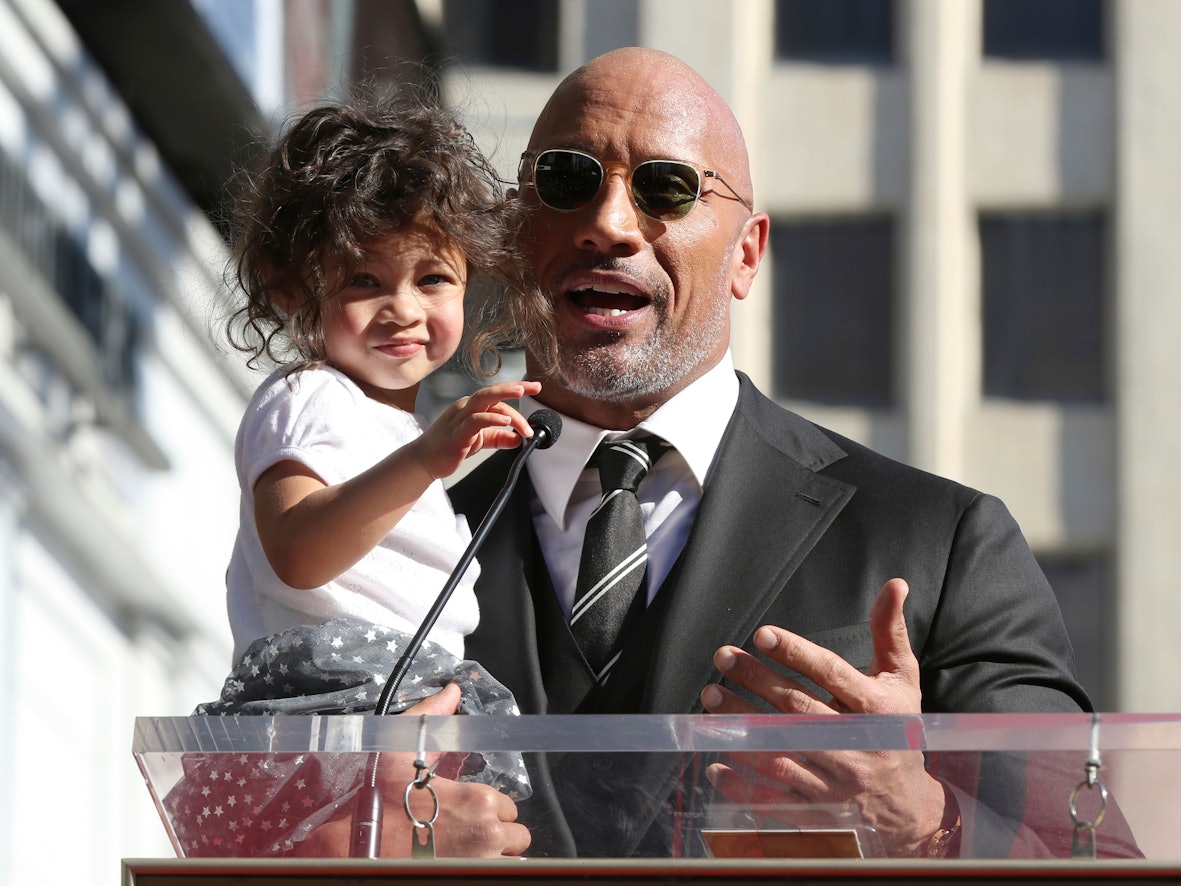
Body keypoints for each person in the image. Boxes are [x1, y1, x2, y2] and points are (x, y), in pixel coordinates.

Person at [447, 47, 1139, 860]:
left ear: (746, 253)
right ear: (514, 227)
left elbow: (1093, 863)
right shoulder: (394, 544)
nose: (608, 223)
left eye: (665, 187)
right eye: (566, 179)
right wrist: (362, 837)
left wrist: (923, 822)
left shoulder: (941, 541)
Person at [171, 93, 548, 858]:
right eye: (363, 282)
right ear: (292, 292)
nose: (402, 308)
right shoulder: (309, 397)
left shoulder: (400, 434)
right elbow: (299, 551)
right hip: (333, 703)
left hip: (407, 707)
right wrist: (423, 462)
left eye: (433, 277)